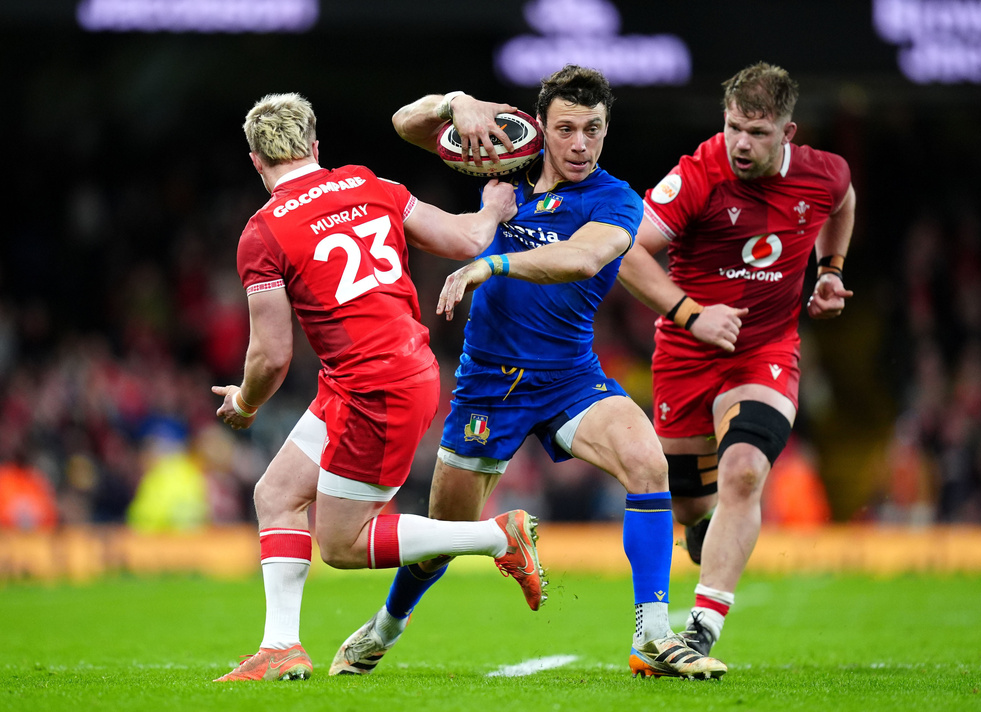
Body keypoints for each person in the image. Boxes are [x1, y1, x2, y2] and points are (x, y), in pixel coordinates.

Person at [334, 65, 726, 680]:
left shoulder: (615, 199)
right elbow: (403, 127)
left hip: (570, 377)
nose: (579, 144)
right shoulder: (505, 165)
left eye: (593, 130)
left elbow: (584, 257)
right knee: (444, 533)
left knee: (647, 461)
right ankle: (386, 626)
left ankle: (652, 635)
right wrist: (455, 103)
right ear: (541, 125)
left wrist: (493, 267)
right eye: (566, 128)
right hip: (489, 385)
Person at [212, 92, 547, 682]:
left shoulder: (262, 233)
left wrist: (243, 402)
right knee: (277, 494)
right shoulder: (372, 184)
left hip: (374, 387)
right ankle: (280, 647)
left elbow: (270, 356)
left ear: (256, 162)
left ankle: (496, 537)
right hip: (381, 372)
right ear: (316, 146)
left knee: (340, 546)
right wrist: (494, 208)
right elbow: (468, 240)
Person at [616, 62, 856, 659]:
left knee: (745, 469)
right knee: (691, 509)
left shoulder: (823, 175)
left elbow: (844, 201)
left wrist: (831, 272)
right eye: (732, 128)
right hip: (686, 355)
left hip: (766, 350)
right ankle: (704, 534)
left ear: (788, 133)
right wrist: (694, 313)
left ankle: (702, 623)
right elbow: (627, 255)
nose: (741, 144)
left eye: (757, 132)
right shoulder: (699, 175)